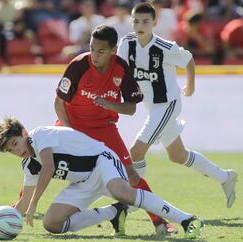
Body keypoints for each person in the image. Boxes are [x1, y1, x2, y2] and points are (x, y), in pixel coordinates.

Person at [0, 116, 203, 239]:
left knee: (120, 192)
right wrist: (2, 220)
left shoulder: (40, 135)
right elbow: (22, 204)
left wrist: (34, 204)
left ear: (23, 132)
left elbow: (48, 167)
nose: (15, 150)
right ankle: (112, 213)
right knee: (52, 224)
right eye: (9, 150)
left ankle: (187, 220)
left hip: (101, 161)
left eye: (15, 143)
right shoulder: (29, 165)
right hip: (83, 181)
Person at [55, 24, 176, 234]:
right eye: (92, 48)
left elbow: (131, 108)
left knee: (132, 176)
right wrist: (68, 132)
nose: (94, 54)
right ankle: (18, 209)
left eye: (101, 51)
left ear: (113, 50)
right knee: (42, 159)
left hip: (104, 128)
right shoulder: (78, 65)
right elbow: (59, 102)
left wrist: (110, 105)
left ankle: (160, 222)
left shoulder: (121, 67)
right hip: (73, 126)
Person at [117, 2, 238, 208]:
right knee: (177, 155)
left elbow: (188, 59)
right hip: (151, 107)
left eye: (146, 21)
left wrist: (190, 85)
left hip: (168, 104)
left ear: (155, 23)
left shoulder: (165, 47)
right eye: (136, 21)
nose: (140, 25)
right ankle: (226, 177)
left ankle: (133, 203)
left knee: (136, 153)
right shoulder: (126, 44)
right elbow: (119, 70)